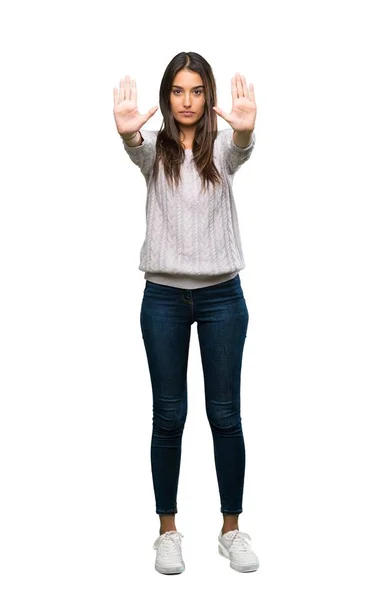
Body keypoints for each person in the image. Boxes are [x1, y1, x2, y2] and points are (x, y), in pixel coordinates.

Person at [113, 52, 259, 574]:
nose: (188, 101)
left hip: (223, 297)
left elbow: (241, 147)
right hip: (164, 300)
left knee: (225, 416)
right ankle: (167, 531)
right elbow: (137, 151)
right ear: (167, 96)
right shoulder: (157, 151)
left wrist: (244, 133)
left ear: (209, 95)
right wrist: (129, 136)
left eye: (197, 91)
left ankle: (231, 529)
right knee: (169, 416)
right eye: (178, 91)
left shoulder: (222, 149)